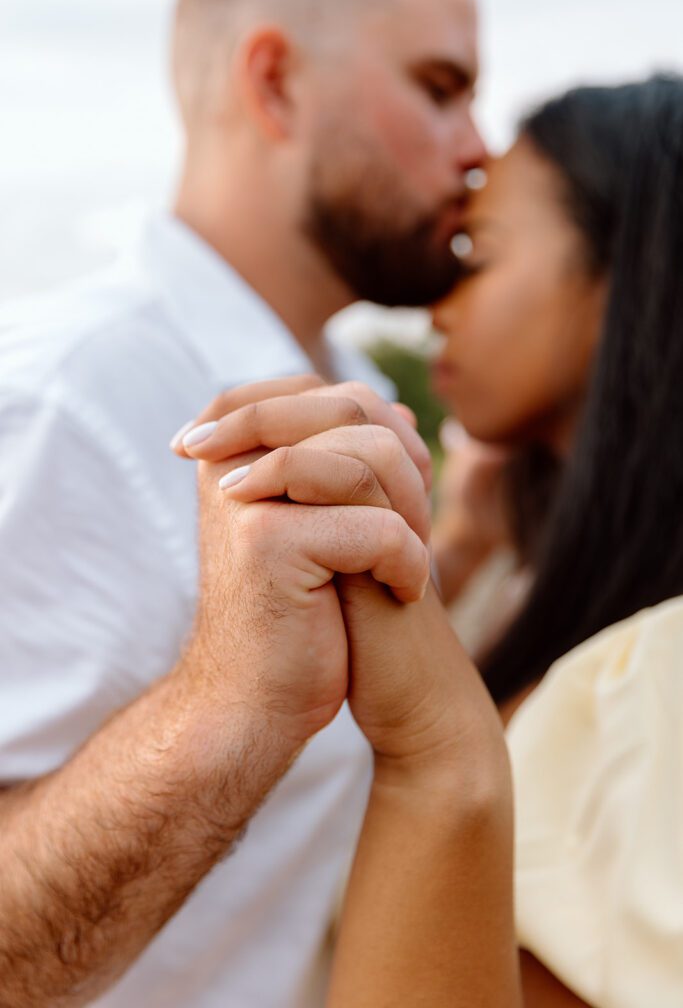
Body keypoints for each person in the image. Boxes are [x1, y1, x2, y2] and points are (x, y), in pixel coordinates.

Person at [0, 0, 484, 1004]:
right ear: (273, 82)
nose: (475, 144)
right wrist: (224, 708)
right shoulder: (57, 408)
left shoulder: (352, 378)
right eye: (438, 88)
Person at [182, 74, 683, 1006]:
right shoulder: (522, 568)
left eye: (476, 254)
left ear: (633, 269)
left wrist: (434, 756)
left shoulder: (656, 677)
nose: (435, 307)